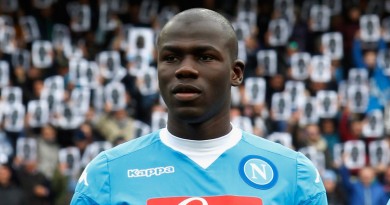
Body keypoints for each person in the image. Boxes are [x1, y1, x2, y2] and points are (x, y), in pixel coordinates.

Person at [70, 8, 327, 204]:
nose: (185, 69)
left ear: (235, 73)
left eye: (205, 57)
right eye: (171, 58)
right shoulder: (107, 174)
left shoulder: (293, 174)